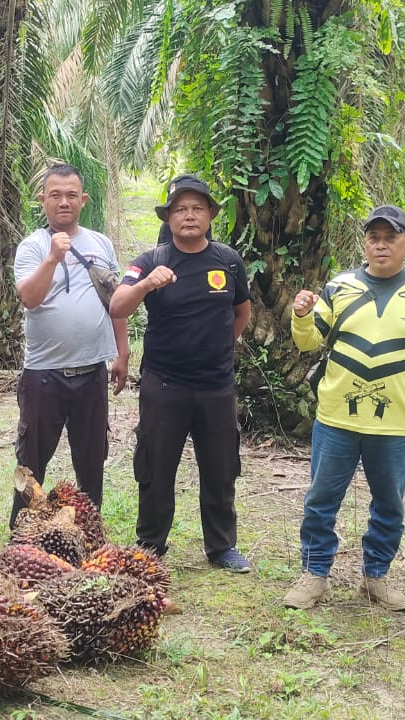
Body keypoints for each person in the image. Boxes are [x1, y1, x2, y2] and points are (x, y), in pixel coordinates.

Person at [283, 205, 405, 611]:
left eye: (391, 238)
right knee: (321, 499)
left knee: (389, 504)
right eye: (374, 238)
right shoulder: (339, 287)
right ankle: (315, 575)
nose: (381, 245)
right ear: (365, 244)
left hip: (395, 421)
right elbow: (308, 342)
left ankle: (376, 577)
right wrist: (301, 315)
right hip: (336, 417)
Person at [110, 174, 253, 573]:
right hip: (164, 384)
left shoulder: (228, 260)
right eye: (180, 209)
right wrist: (145, 286)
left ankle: (222, 546)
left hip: (216, 386)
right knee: (155, 467)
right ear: (168, 217)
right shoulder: (150, 261)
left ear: (210, 215)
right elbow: (117, 306)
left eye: (197, 208)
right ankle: (150, 543)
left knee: (221, 468)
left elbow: (241, 312)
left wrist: (219, 346)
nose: (189, 216)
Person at [10, 163, 131, 520]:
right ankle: (22, 532)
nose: (63, 202)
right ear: (42, 200)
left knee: (92, 459)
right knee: (31, 460)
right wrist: (52, 258)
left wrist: (122, 352)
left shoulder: (100, 244)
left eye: (71, 195)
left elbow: (115, 300)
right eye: (55, 195)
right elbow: (29, 298)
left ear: (83, 200)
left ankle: (90, 530)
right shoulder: (32, 247)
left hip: (92, 371)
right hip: (43, 374)